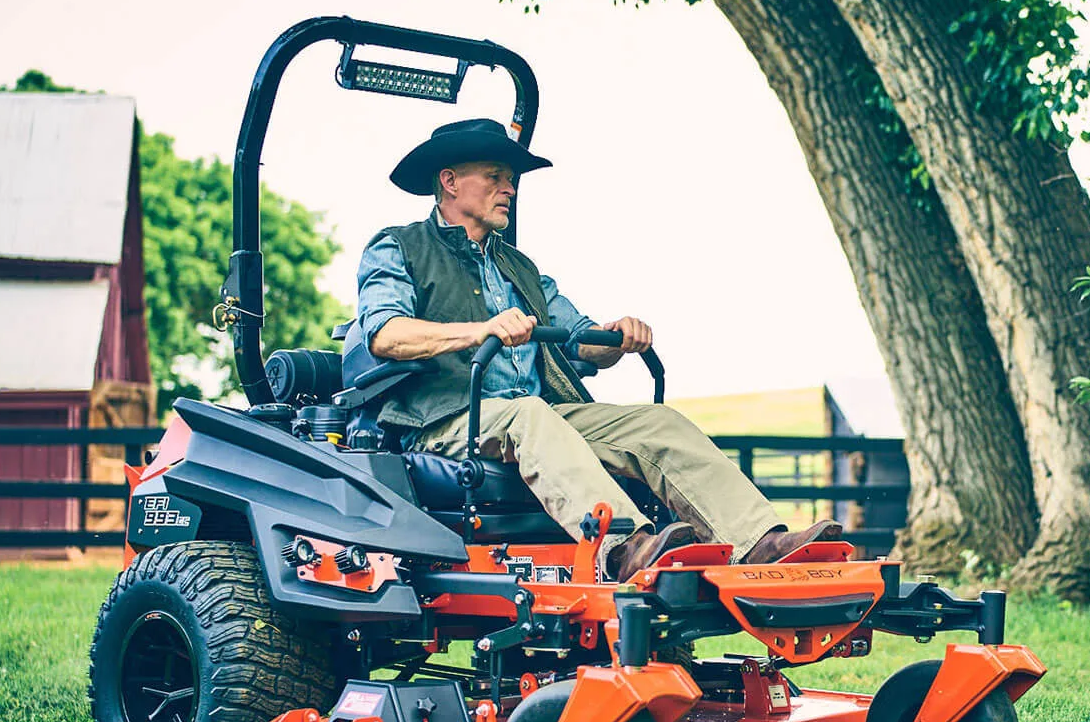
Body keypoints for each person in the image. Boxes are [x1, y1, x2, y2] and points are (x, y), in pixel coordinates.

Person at [357, 118, 840, 581]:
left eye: (512, 179)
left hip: (537, 417)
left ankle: (760, 542)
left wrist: (617, 336)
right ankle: (627, 546)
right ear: (450, 181)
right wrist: (481, 330)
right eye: (496, 177)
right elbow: (385, 334)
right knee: (530, 414)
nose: (511, 188)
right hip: (448, 418)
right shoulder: (398, 247)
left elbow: (582, 341)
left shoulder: (520, 269)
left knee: (658, 424)